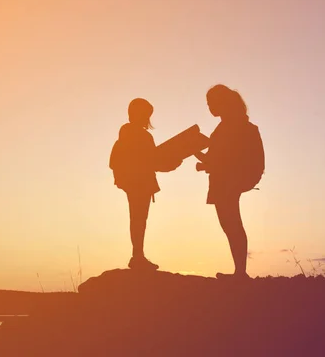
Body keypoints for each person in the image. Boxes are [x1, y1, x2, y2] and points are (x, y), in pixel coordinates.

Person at [195, 85, 264, 280]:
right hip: (226, 179)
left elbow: (228, 157)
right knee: (230, 224)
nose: (209, 107)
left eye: (211, 103)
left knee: (232, 224)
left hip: (228, 181)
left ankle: (240, 273)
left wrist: (205, 162)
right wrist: (196, 153)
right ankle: (239, 272)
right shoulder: (229, 124)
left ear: (221, 102)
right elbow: (217, 158)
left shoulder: (232, 125)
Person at [109, 98, 182, 270]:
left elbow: (151, 161)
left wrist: (170, 163)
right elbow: (151, 161)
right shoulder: (138, 135)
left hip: (135, 181)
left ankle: (138, 255)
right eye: (146, 114)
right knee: (139, 219)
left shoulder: (129, 133)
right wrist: (172, 163)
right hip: (138, 182)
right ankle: (137, 256)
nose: (147, 118)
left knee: (138, 218)